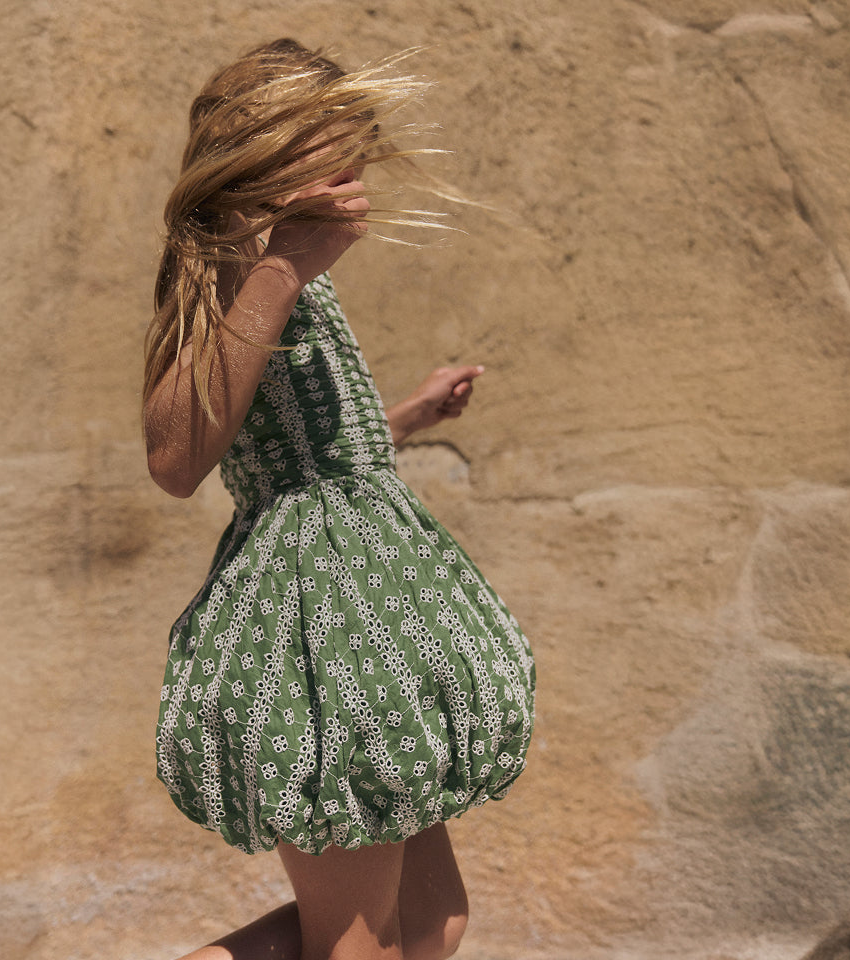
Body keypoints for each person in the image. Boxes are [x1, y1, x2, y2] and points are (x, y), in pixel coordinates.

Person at [143, 38, 535, 960]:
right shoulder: (236, 271)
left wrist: (404, 414)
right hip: (324, 628)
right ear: (269, 157)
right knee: (358, 942)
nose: (359, 165)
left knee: (430, 923)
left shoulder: (285, 280)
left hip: (370, 612)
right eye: (335, 146)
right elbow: (174, 454)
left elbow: (292, 453)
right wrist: (279, 270)